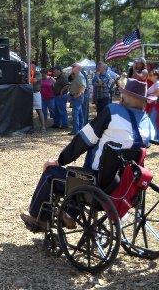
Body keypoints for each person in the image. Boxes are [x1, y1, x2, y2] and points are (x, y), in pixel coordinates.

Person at [20, 78, 155, 232]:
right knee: (85, 171)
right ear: (144, 101)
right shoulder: (148, 124)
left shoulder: (113, 112)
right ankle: (70, 213)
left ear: (124, 97)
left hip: (96, 183)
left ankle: (37, 218)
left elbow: (82, 141)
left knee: (52, 174)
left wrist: (59, 161)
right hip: (125, 185)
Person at [68, 62, 86, 135]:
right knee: (80, 113)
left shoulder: (79, 76)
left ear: (78, 68)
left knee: (75, 113)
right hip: (76, 97)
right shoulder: (76, 75)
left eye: (73, 67)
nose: (72, 68)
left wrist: (78, 94)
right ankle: (81, 129)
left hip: (77, 97)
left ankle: (76, 130)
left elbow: (82, 86)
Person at [31, 63, 45, 131]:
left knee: (39, 110)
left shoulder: (38, 73)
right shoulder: (27, 73)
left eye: (31, 67)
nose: (30, 68)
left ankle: (43, 127)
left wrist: (30, 75)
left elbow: (34, 80)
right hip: (28, 94)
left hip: (36, 93)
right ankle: (30, 126)